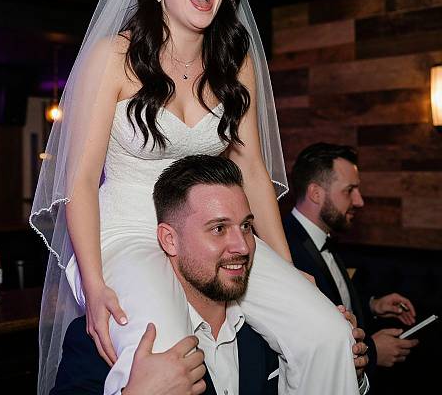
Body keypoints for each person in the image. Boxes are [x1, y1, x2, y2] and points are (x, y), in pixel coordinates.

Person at [30, 0, 359, 395]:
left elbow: (250, 169)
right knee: (172, 363)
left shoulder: (235, 60)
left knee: (327, 335)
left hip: (215, 232)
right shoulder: (113, 57)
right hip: (128, 233)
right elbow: (79, 181)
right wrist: (95, 285)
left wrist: (288, 268)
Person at [50, 155, 369, 395]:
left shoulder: (279, 329)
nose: (242, 245)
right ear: (169, 239)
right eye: (218, 228)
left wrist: (345, 365)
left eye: (246, 226)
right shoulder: (112, 335)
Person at [283, 142, 419, 388]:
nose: (359, 201)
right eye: (350, 190)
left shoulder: (325, 237)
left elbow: (334, 301)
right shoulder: (284, 248)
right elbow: (303, 344)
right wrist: (374, 351)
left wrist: (372, 305)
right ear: (316, 193)